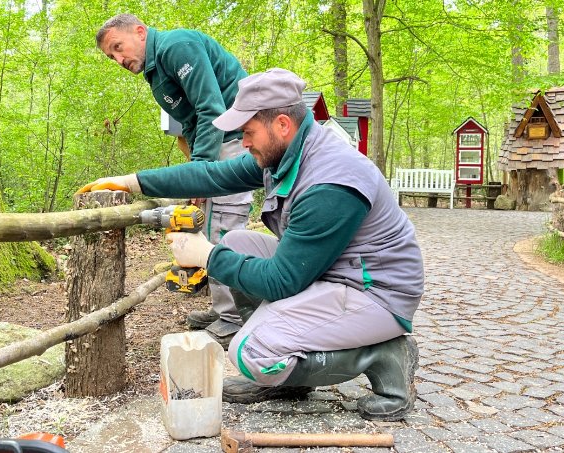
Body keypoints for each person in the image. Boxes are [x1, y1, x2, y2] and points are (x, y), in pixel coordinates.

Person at [78, 68, 424, 421]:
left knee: (252, 353)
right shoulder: (288, 152)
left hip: (376, 293)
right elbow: (213, 174)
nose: (243, 142)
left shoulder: (331, 180)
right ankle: (289, 377)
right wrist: (129, 182)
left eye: (248, 132)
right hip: (336, 273)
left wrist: (207, 256)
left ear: (282, 124)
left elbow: (283, 280)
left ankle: (383, 354)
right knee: (238, 243)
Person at [95, 14, 254, 345]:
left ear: (140, 32)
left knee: (225, 225)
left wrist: (198, 173)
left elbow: (212, 109)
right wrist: (195, 170)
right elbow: (192, 123)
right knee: (208, 223)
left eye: (118, 48)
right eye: (112, 57)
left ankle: (235, 317)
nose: (119, 60)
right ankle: (224, 306)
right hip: (215, 142)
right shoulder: (155, 71)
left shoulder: (176, 46)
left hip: (237, 138)